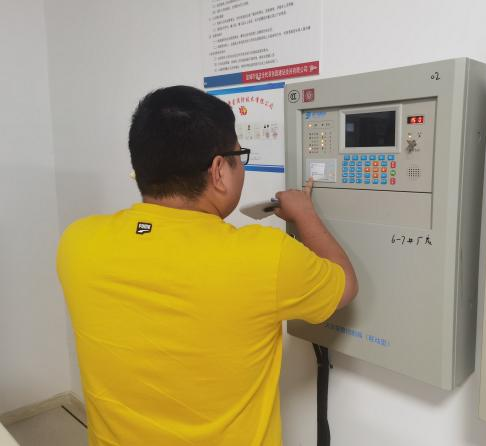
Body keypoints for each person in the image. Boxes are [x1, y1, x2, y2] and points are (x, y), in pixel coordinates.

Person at [57, 85, 358, 446]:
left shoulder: (77, 242)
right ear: (218, 170)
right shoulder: (264, 257)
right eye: (239, 156)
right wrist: (305, 215)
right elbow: (345, 286)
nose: (240, 167)